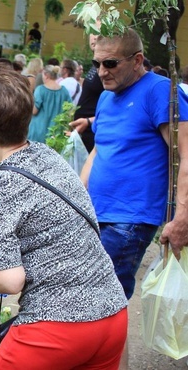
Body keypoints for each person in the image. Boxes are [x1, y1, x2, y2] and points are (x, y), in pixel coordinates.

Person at [0, 64, 128, 369]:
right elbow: (39, 203)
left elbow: (10, 281)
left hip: (59, 326)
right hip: (111, 314)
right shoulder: (46, 155)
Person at [80, 28, 188, 369]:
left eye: (110, 63)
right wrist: (75, 202)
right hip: (98, 212)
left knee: (98, 296)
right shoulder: (106, 96)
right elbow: (99, 151)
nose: (102, 72)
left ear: (137, 59)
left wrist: (182, 216)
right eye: (96, 63)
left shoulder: (160, 92)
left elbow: (186, 153)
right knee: (105, 301)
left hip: (131, 218)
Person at [68, 33, 103, 152]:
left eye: (98, 33)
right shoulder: (95, 64)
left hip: (93, 131)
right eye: (92, 33)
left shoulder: (108, 69)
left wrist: (89, 121)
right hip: (83, 129)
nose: (94, 37)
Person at [27, 65, 71, 143]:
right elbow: (70, 111)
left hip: (38, 132)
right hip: (56, 133)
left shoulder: (40, 89)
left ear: (46, 75)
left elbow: (34, 111)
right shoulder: (64, 91)